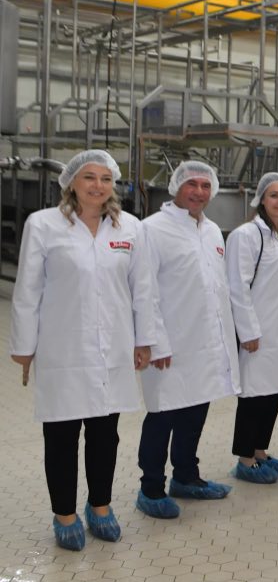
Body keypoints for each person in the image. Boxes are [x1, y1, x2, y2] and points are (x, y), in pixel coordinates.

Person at [10, 150, 155, 549]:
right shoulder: (43, 225)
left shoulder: (130, 228)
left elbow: (143, 289)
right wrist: (24, 347)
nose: (98, 186)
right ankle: (65, 514)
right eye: (89, 177)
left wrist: (145, 339)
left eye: (106, 179)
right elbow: (28, 290)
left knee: (105, 433)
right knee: (61, 433)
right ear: (71, 182)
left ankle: (101, 506)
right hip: (63, 347)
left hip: (113, 347)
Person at [138, 161, 240, 518]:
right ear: (176, 187)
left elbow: (216, 288)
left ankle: (186, 476)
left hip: (205, 341)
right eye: (191, 184)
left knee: (195, 410)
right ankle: (151, 488)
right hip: (170, 343)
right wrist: (155, 341)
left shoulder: (211, 231)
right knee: (162, 415)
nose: (199, 192)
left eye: (205, 185)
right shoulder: (152, 229)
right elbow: (145, 290)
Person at [225, 172, 278, 485]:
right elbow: (237, 287)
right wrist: (248, 332)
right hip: (258, 332)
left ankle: (260, 451)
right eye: (274, 195)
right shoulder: (246, 235)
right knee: (254, 396)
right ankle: (245, 459)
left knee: (273, 392)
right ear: (261, 199)